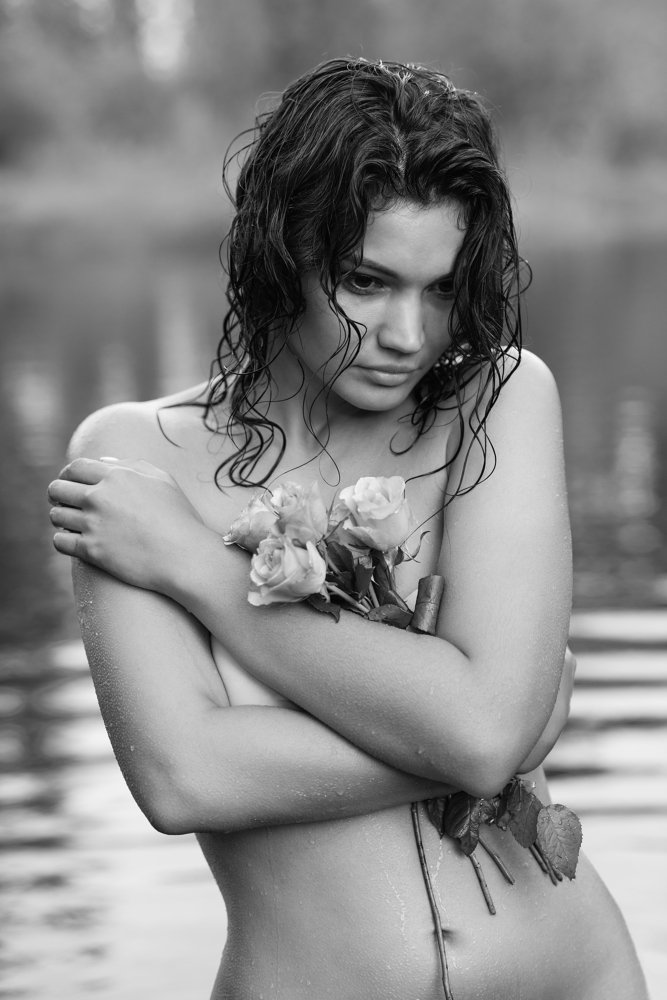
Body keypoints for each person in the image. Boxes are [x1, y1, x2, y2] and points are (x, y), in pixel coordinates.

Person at [47, 58, 647, 1000]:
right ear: (284, 252)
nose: (409, 334)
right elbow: (183, 779)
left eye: (441, 288)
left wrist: (202, 572)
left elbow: (484, 735)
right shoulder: (136, 463)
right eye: (366, 282)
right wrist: (480, 736)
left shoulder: (498, 402)